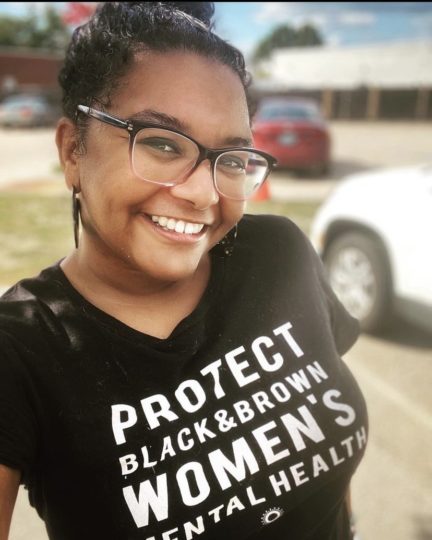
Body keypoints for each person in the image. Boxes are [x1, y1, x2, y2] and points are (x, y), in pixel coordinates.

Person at [0, 2, 367, 539]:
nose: (203, 193)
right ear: (72, 150)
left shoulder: (281, 256)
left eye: (233, 159)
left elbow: (328, 458)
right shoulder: (20, 349)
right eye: (162, 144)